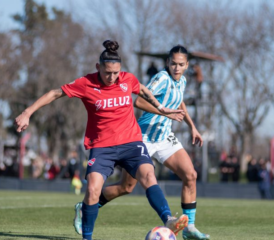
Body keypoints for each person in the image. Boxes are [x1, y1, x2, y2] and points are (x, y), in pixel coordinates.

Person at [15, 40, 188, 240]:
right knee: (92, 190)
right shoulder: (85, 84)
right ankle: (87, 236)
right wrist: (27, 112)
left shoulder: (126, 79)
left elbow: (141, 89)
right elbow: (55, 93)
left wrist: (160, 107)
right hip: (102, 146)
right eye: (107, 73)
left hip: (131, 142)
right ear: (98, 67)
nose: (112, 77)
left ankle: (168, 220)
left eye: (116, 73)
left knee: (149, 176)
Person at [74, 45, 210, 240]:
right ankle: (86, 206)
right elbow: (138, 101)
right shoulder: (161, 78)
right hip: (143, 137)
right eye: (173, 63)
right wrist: (163, 110)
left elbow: (179, 102)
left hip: (164, 137)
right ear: (167, 63)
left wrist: (192, 126)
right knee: (126, 188)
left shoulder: (183, 80)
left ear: (187, 65)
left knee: (190, 175)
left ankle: (189, 228)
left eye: (181, 64)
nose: (176, 68)